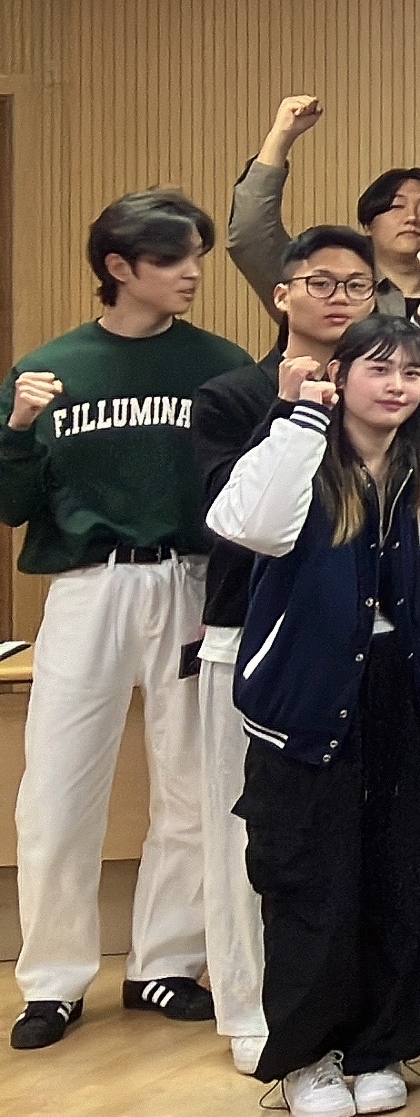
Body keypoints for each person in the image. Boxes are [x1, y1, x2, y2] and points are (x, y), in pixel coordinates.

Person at [207, 316, 420, 1117]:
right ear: (339, 376)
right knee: (309, 882)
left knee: (401, 879)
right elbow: (246, 526)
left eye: (412, 372)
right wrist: (298, 420)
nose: (398, 386)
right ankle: (308, 1058)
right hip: (305, 703)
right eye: (379, 369)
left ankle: (384, 1046)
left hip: (406, 695)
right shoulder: (299, 450)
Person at [8, 191, 245, 1052]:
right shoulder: (51, 367)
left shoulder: (219, 365)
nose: (192, 273)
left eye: (197, 256)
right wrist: (18, 427)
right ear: (119, 267)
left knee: (192, 782)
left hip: (190, 580)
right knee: (58, 787)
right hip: (86, 587)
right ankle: (52, 979)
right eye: (173, 258)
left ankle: (164, 963)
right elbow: (11, 504)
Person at [188, 222, 384, 1075]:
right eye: (321, 282)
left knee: (338, 841)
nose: (339, 298)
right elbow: (222, 519)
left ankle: (342, 1010)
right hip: (249, 635)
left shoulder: (383, 387)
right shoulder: (232, 393)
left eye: (357, 285)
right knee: (244, 832)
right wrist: (289, 410)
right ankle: (247, 1008)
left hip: (355, 644)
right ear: (282, 293)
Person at [224, 95, 420, 354]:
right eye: (396, 206)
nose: (412, 217)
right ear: (367, 224)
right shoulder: (321, 289)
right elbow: (251, 237)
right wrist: (281, 136)